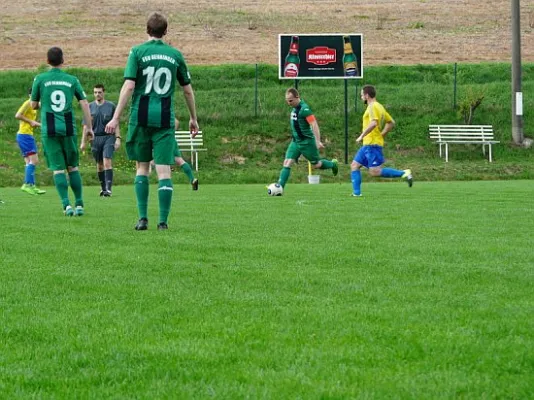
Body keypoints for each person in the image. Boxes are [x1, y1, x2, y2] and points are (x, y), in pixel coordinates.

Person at [105, 12, 199, 231]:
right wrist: (193, 118)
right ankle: (163, 222)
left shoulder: (136, 52)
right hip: (165, 119)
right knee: (164, 170)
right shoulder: (175, 54)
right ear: (165, 31)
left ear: (147, 30)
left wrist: (116, 116)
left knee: (142, 168)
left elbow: (129, 86)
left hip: (141, 117)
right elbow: (187, 90)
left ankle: (142, 218)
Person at [30, 47, 94, 216]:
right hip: (68, 128)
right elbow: (85, 103)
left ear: (47, 61)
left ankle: (66, 205)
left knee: (58, 169)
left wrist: (44, 104)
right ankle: (79, 204)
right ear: (63, 60)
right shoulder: (72, 80)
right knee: (72, 167)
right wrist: (89, 127)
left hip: (49, 129)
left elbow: (33, 105)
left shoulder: (40, 79)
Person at [350, 85, 412, 196]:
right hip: (368, 144)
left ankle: (404, 173)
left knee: (375, 172)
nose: (361, 97)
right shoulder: (380, 107)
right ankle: (356, 194)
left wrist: (361, 135)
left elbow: (374, 123)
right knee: (354, 165)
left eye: (361, 95)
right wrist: (382, 134)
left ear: (367, 95)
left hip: (372, 144)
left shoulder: (372, 106)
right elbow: (391, 122)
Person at [276, 88, 338, 189]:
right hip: (296, 142)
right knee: (287, 162)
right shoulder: (294, 108)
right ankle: (280, 187)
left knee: (317, 165)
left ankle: (333, 164)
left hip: (307, 142)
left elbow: (314, 124)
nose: (288, 103)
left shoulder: (305, 109)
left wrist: (317, 141)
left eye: (290, 100)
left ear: (297, 97)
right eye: (287, 100)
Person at [80, 84, 121, 197]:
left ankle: (108, 189)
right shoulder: (89, 107)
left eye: (99, 92)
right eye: (95, 92)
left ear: (104, 93)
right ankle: (103, 189)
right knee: (99, 165)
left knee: (107, 161)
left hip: (108, 136)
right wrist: (83, 142)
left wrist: (118, 138)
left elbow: (116, 123)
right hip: (95, 138)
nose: (97, 94)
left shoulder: (111, 106)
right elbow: (86, 126)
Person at [15, 88, 46, 195]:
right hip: (25, 135)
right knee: (35, 160)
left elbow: (44, 105)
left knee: (29, 162)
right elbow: (17, 115)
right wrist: (31, 122)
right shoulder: (28, 103)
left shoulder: (34, 105)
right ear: (30, 95)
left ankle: (32, 186)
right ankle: (27, 184)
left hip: (25, 135)